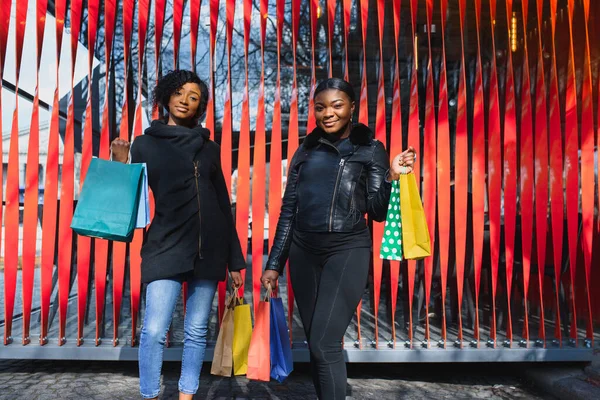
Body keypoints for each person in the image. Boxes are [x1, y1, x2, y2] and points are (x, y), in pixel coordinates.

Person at [261, 78, 416, 400]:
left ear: (351, 108)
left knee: (323, 342)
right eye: (320, 107)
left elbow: (377, 211)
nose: (327, 113)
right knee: (316, 347)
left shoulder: (370, 149)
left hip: (347, 250)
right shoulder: (305, 151)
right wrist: (274, 263)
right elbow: (289, 210)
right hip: (304, 253)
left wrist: (390, 175)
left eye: (336, 105)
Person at [111, 70, 245, 400]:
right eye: (179, 93)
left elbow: (223, 205)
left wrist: (235, 261)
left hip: (210, 247)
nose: (185, 100)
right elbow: (123, 196)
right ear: (166, 97)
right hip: (165, 245)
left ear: (201, 107)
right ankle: (150, 393)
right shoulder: (144, 144)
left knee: (197, 330)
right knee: (155, 329)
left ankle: (187, 395)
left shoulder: (209, 148)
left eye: (194, 97)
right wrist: (119, 162)